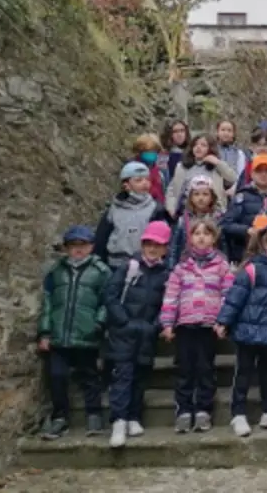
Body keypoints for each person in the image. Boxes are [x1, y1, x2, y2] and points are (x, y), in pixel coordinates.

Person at [214, 222, 267, 437]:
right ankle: (238, 412)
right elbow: (236, 297)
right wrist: (224, 321)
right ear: (265, 244)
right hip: (247, 329)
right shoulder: (252, 268)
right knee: (243, 372)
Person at [38, 225, 112, 440]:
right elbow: (48, 303)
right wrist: (45, 332)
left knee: (89, 376)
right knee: (57, 376)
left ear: (91, 247)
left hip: (86, 333)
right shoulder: (56, 271)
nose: (78, 250)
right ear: (66, 248)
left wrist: (98, 323)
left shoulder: (101, 271)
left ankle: (94, 414)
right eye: (73, 246)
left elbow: (107, 301)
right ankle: (59, 416)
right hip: (60, 334)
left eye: (82, 245)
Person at [160, 219, 234, 433]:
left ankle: (203, 409)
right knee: (184, 369)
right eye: (197, 233)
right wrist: (167, 323)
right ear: (190, 238)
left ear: (214, 238)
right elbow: (171, 297)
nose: (201, 237)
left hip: (208, 326)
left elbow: (227, 295)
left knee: (204, 368)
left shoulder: (222, 266)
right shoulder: (181, 269)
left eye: (206, 233)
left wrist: (223, 321)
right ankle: (183, 410)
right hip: (185, 325)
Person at [104, 221, 172, 447]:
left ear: (165, 248)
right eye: (149, 244)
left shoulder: (165, 274)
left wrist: (156, 325)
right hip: (124, 333)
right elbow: (111, 295)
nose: (152, 249)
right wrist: (122, 321)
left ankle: (134, 416)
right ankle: (119, 420)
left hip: (147, 334)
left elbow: (167, 303)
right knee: (123, 376)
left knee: (141, 377)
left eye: (158, 245)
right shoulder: (128, 267)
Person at [93, 161, 167, 271]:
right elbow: (101, 238)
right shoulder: (114, 209)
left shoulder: (156, 209)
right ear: (126, 185)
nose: (145, 183)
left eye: (147, 179)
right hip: (114, 264)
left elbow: (162, 239)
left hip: (143, 264)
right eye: (138, 180)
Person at [222, 154, 267, 265]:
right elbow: (225, 225)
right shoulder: (241, 197)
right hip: (244, 256)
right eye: (259, 171)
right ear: (252, 174)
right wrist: (247, 230)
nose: (263, 174)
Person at [166, 134, 238, 218]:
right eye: (195, 145)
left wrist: (217, 162)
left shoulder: (216, 167)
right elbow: (172, 190)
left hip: (214, 213)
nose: (198, 147)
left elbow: (232, 178)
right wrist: (171, 208)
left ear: (210, 148)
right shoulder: (182, 167)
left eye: (203, 145)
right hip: (187, 213)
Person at [166, 176, 221, 269]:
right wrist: (172, 268)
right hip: (187, 266)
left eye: (205, 194)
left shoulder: (218, 219)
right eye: (196, 194)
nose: (201, 198)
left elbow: (222, 246)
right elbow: (175, 246)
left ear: (212, 197)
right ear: (190, 197)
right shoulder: (183, 220)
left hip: (212, 267)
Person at [129, 133, 167, 205]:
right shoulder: (131, 169)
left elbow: (164, 191)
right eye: (147, 150)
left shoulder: (161, 170)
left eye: (154, 151)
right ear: (139, 152)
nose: (151, 153)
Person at [215, 119, 249, 186]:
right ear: (217, 132)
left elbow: (240, 173)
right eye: (223, 130)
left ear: (233, 134)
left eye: (229, 130)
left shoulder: (238, 153)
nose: (226, 133)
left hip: (233, 187)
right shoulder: (212, 150)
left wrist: (234, 188)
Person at [161, 120, 191, 185]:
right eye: (175, 131)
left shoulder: (192, 151)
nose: (179, 134)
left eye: (182, 131)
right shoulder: (163, 154)